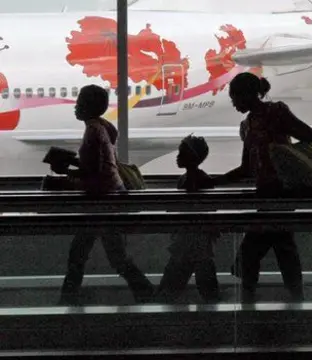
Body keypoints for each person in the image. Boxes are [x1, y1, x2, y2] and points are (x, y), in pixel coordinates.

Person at [213, 72, 312, 303]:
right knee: (281, 247)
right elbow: (246, 168)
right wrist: (215, 181)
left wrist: (285, 159)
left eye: (234, 98)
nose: (233, 103)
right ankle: (293, 298)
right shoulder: (251, 123)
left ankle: (250, 300)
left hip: (278, 194)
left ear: (248, 95)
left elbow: (309, 135)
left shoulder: (273, 113)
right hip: (269, 195)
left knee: (255, 251)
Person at [53, 84, 154, 305]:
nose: (75, 107)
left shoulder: (92, 131)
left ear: (89, 106)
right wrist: (72, 164)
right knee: (114, 257)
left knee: (79, 256)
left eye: (80, 102)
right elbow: (102, 165)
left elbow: (94, 174)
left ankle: (66, 303)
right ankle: (145, 293)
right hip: (111, 199)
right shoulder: (103, 126)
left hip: (100, 204)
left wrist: (64, 174)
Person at [155, 134, 219, 303]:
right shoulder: (201, 179)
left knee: (169, 288)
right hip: (198, 243)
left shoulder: (187, 180)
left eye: (181, 153)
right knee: (207, 287)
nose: (177, 157)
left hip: (187, 243)